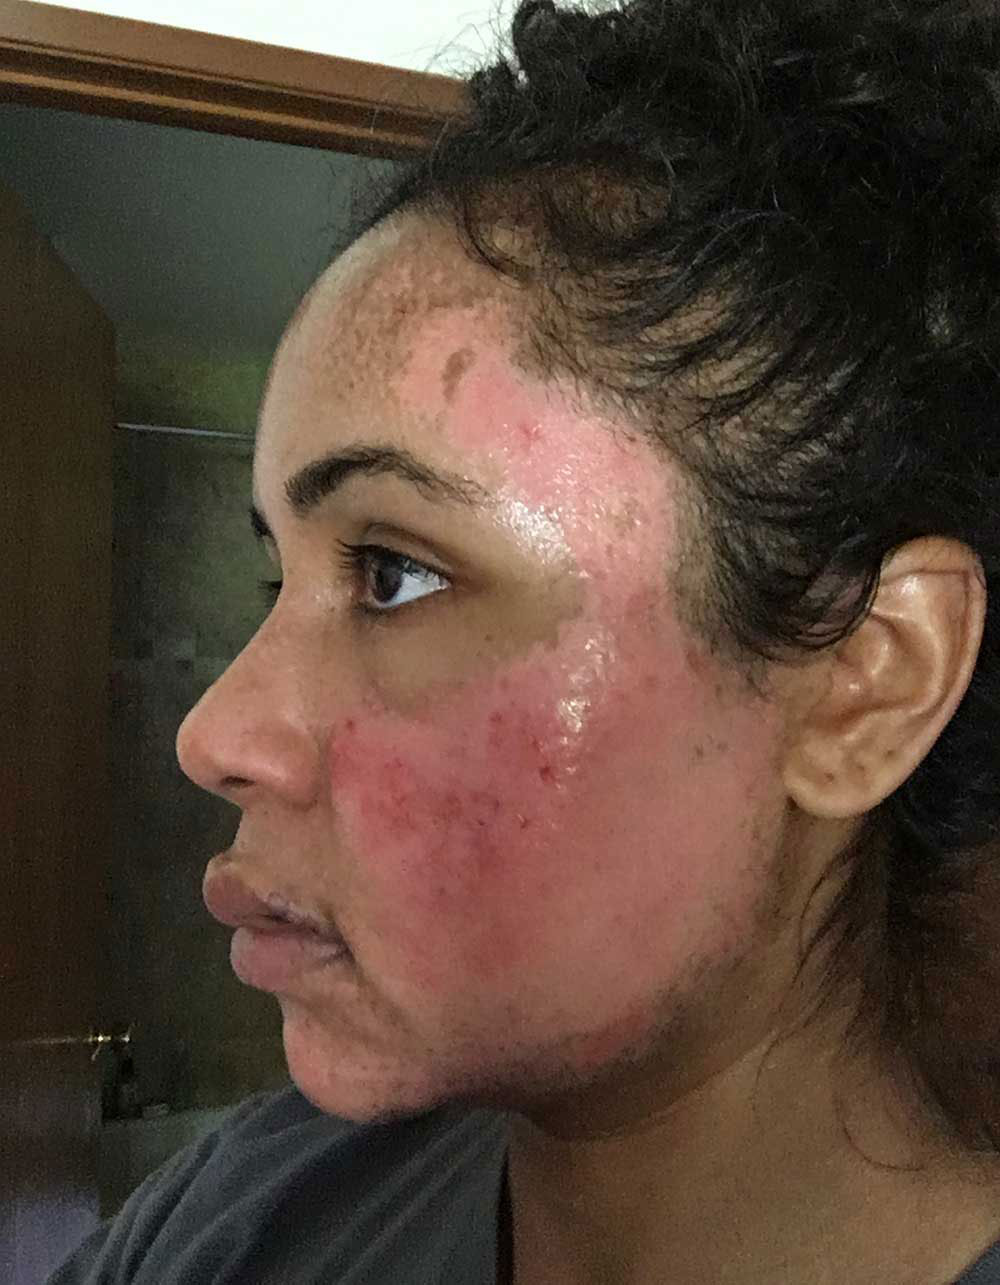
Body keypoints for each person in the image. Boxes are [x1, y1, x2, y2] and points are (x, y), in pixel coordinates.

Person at [51, 0, 1000, 1281]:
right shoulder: (241, 1213)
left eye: (392, 573)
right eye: (278, 575)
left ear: (868, 683)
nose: (215, 734)